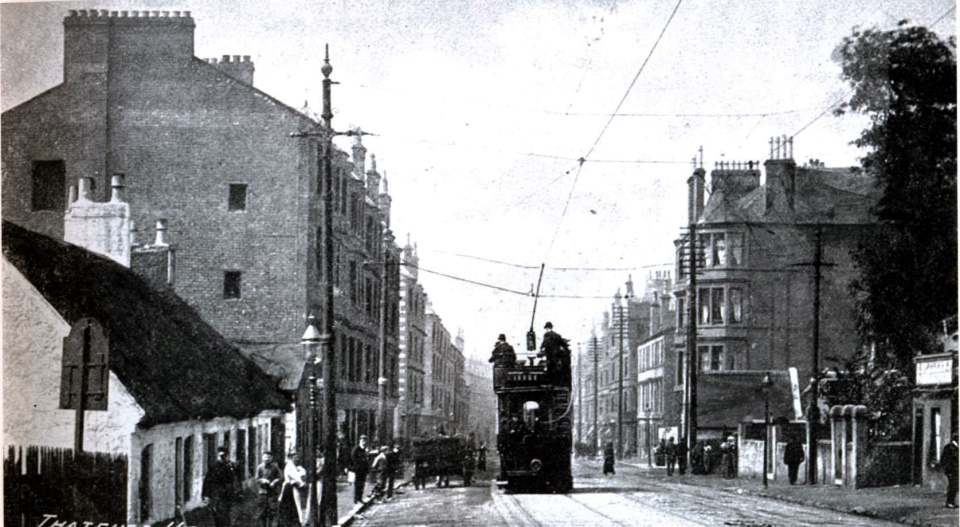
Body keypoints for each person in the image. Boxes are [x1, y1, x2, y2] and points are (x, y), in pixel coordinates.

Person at [202, 446, 239, 527]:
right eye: (220, 456)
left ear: (227, 455)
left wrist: (236, 492)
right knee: (217, 514)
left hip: (227, 494)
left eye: (224, 456)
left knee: (226, 514)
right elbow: (207, 481)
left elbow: (235, 479)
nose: (222, 458)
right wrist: (206, 495)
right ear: (218, 455)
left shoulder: (230, 466)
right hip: (216, 494)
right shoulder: (214, 466)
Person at [277, 451, 306, 527]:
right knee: (291, 506)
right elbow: (297, 478)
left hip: (293, 488)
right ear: (291, 458)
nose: (297, 459)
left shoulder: (296, 467)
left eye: (297, 457)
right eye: (295, 457)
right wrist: (301, 482)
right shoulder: (289, 466)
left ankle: (295, 522)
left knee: (295, 506)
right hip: (289, 489)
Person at [255, 451, 282, 527]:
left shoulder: (275, 467)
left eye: (268, 457)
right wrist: (263, 480)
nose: (266, 459)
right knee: (262, 511)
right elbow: (257, 479)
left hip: (272, 492)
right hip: (262, 492)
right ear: (262, 458)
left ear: (271, 458)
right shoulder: (260, 467)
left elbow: (280, 477)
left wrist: (274, 482)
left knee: (271, 511)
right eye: (265, 457)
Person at [350, 435, 371, 505]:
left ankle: (360, 498)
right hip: (358, 470)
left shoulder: (364, 450)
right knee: (358, 484)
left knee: (362, 484)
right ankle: (356, 499)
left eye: (365, 441)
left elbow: (366, 460)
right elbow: (353, 459)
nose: (364, 442)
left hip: (363, 470)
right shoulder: (356, 449)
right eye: (363, 441)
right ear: (360, 441)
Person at [941, 433, 959, 508]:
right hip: (951, 470)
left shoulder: (956, 447)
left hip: (955, 470)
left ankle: (951, 501)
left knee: (955, 486)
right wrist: (947, 469)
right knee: (953, 486)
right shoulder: (949, 448)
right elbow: (944, 459)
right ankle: (949, 502)